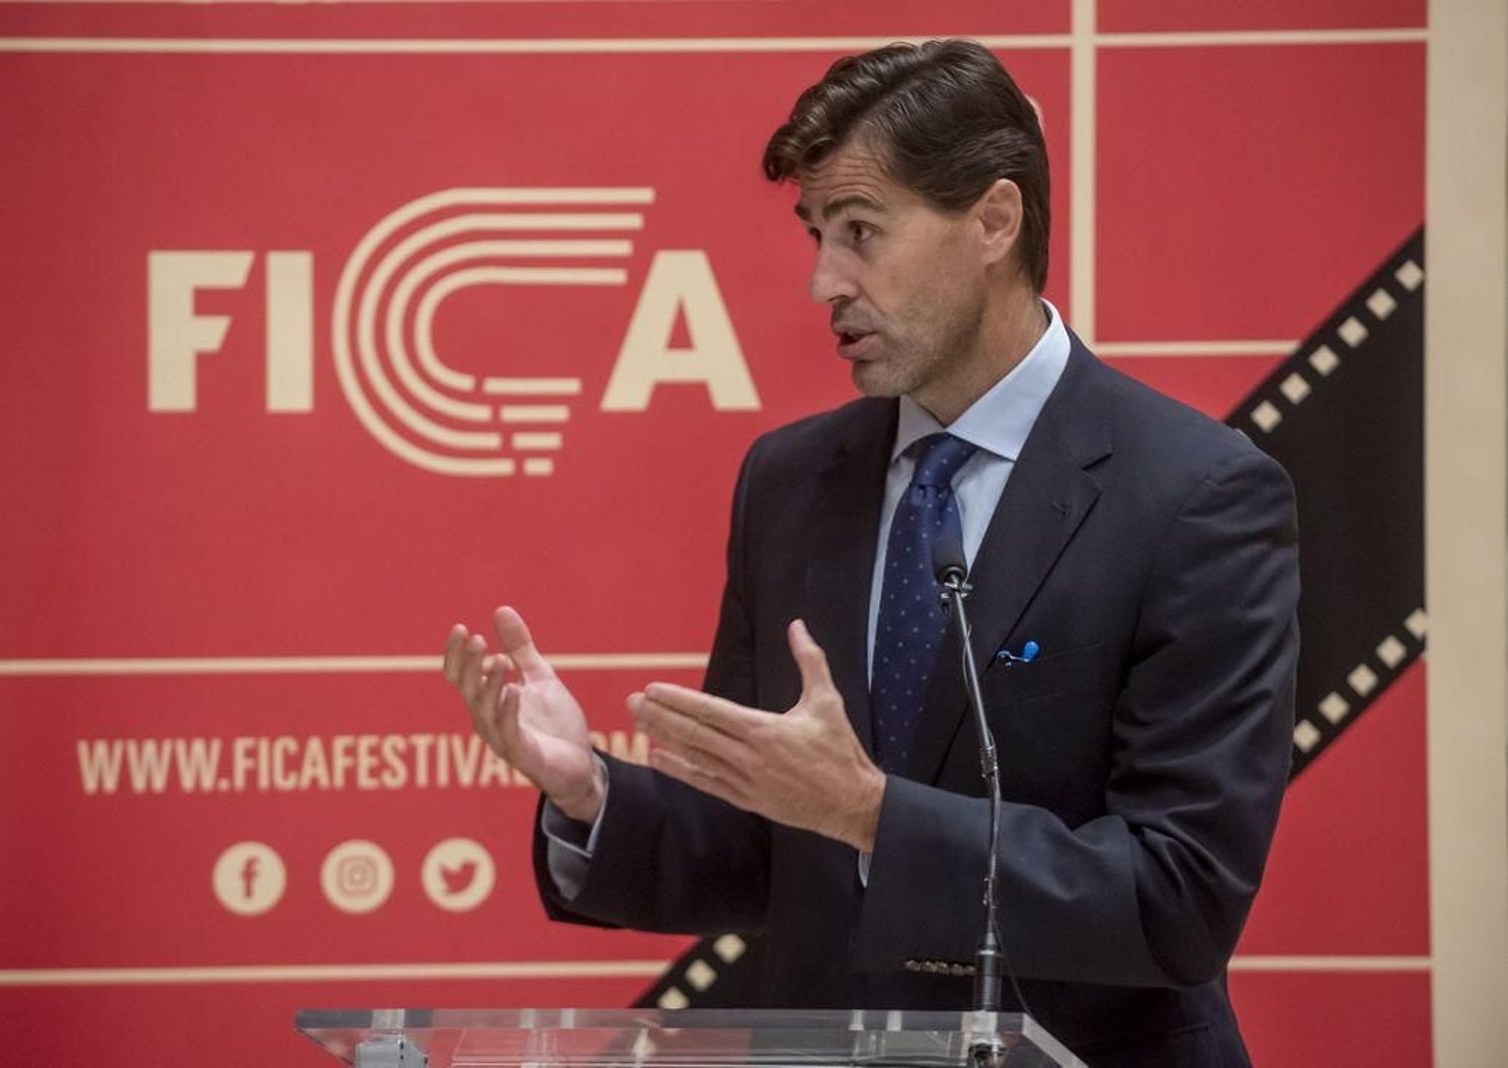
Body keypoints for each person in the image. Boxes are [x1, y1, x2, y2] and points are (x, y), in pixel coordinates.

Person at [444, 39, 1298, 1068]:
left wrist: (870, 814)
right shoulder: (787, 480)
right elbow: (767, 839)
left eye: (859, 232)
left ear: (993, 220)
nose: (821, 283)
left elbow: (1178, 897)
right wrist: (590, 791)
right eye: (815, 234)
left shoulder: (1194, 494)